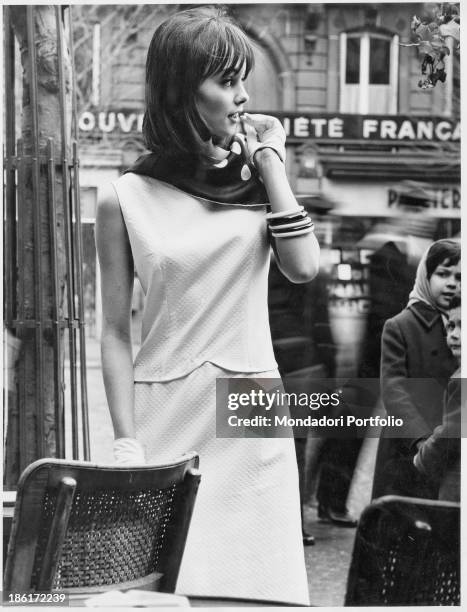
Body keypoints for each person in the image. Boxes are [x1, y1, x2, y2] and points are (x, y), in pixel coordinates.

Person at [95, 7, 319, 604]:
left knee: (258, 592)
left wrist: (271, 162)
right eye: (227, 81)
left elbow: (303, 268)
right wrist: (125, 440)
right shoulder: (124, 197)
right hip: (163, 414)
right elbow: (116, 331)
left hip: (251, 413)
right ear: (178, 90)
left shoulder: (259, 181)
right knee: (167, 592)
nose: (244, 97)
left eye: (244, 79)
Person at [371, 239, 460, 500]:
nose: (453, 283)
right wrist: (421, 439)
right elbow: (393, 389)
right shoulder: (401, 325)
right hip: (408, 443)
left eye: (460, 276)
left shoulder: (458, 320)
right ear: (426, 275)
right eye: (443, 274)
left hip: (447, 442)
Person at [413, 295, 461, 501]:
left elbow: (451, 433)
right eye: (451, 326)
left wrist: (421, 458)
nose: (454, 335)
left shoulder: (461, 379)